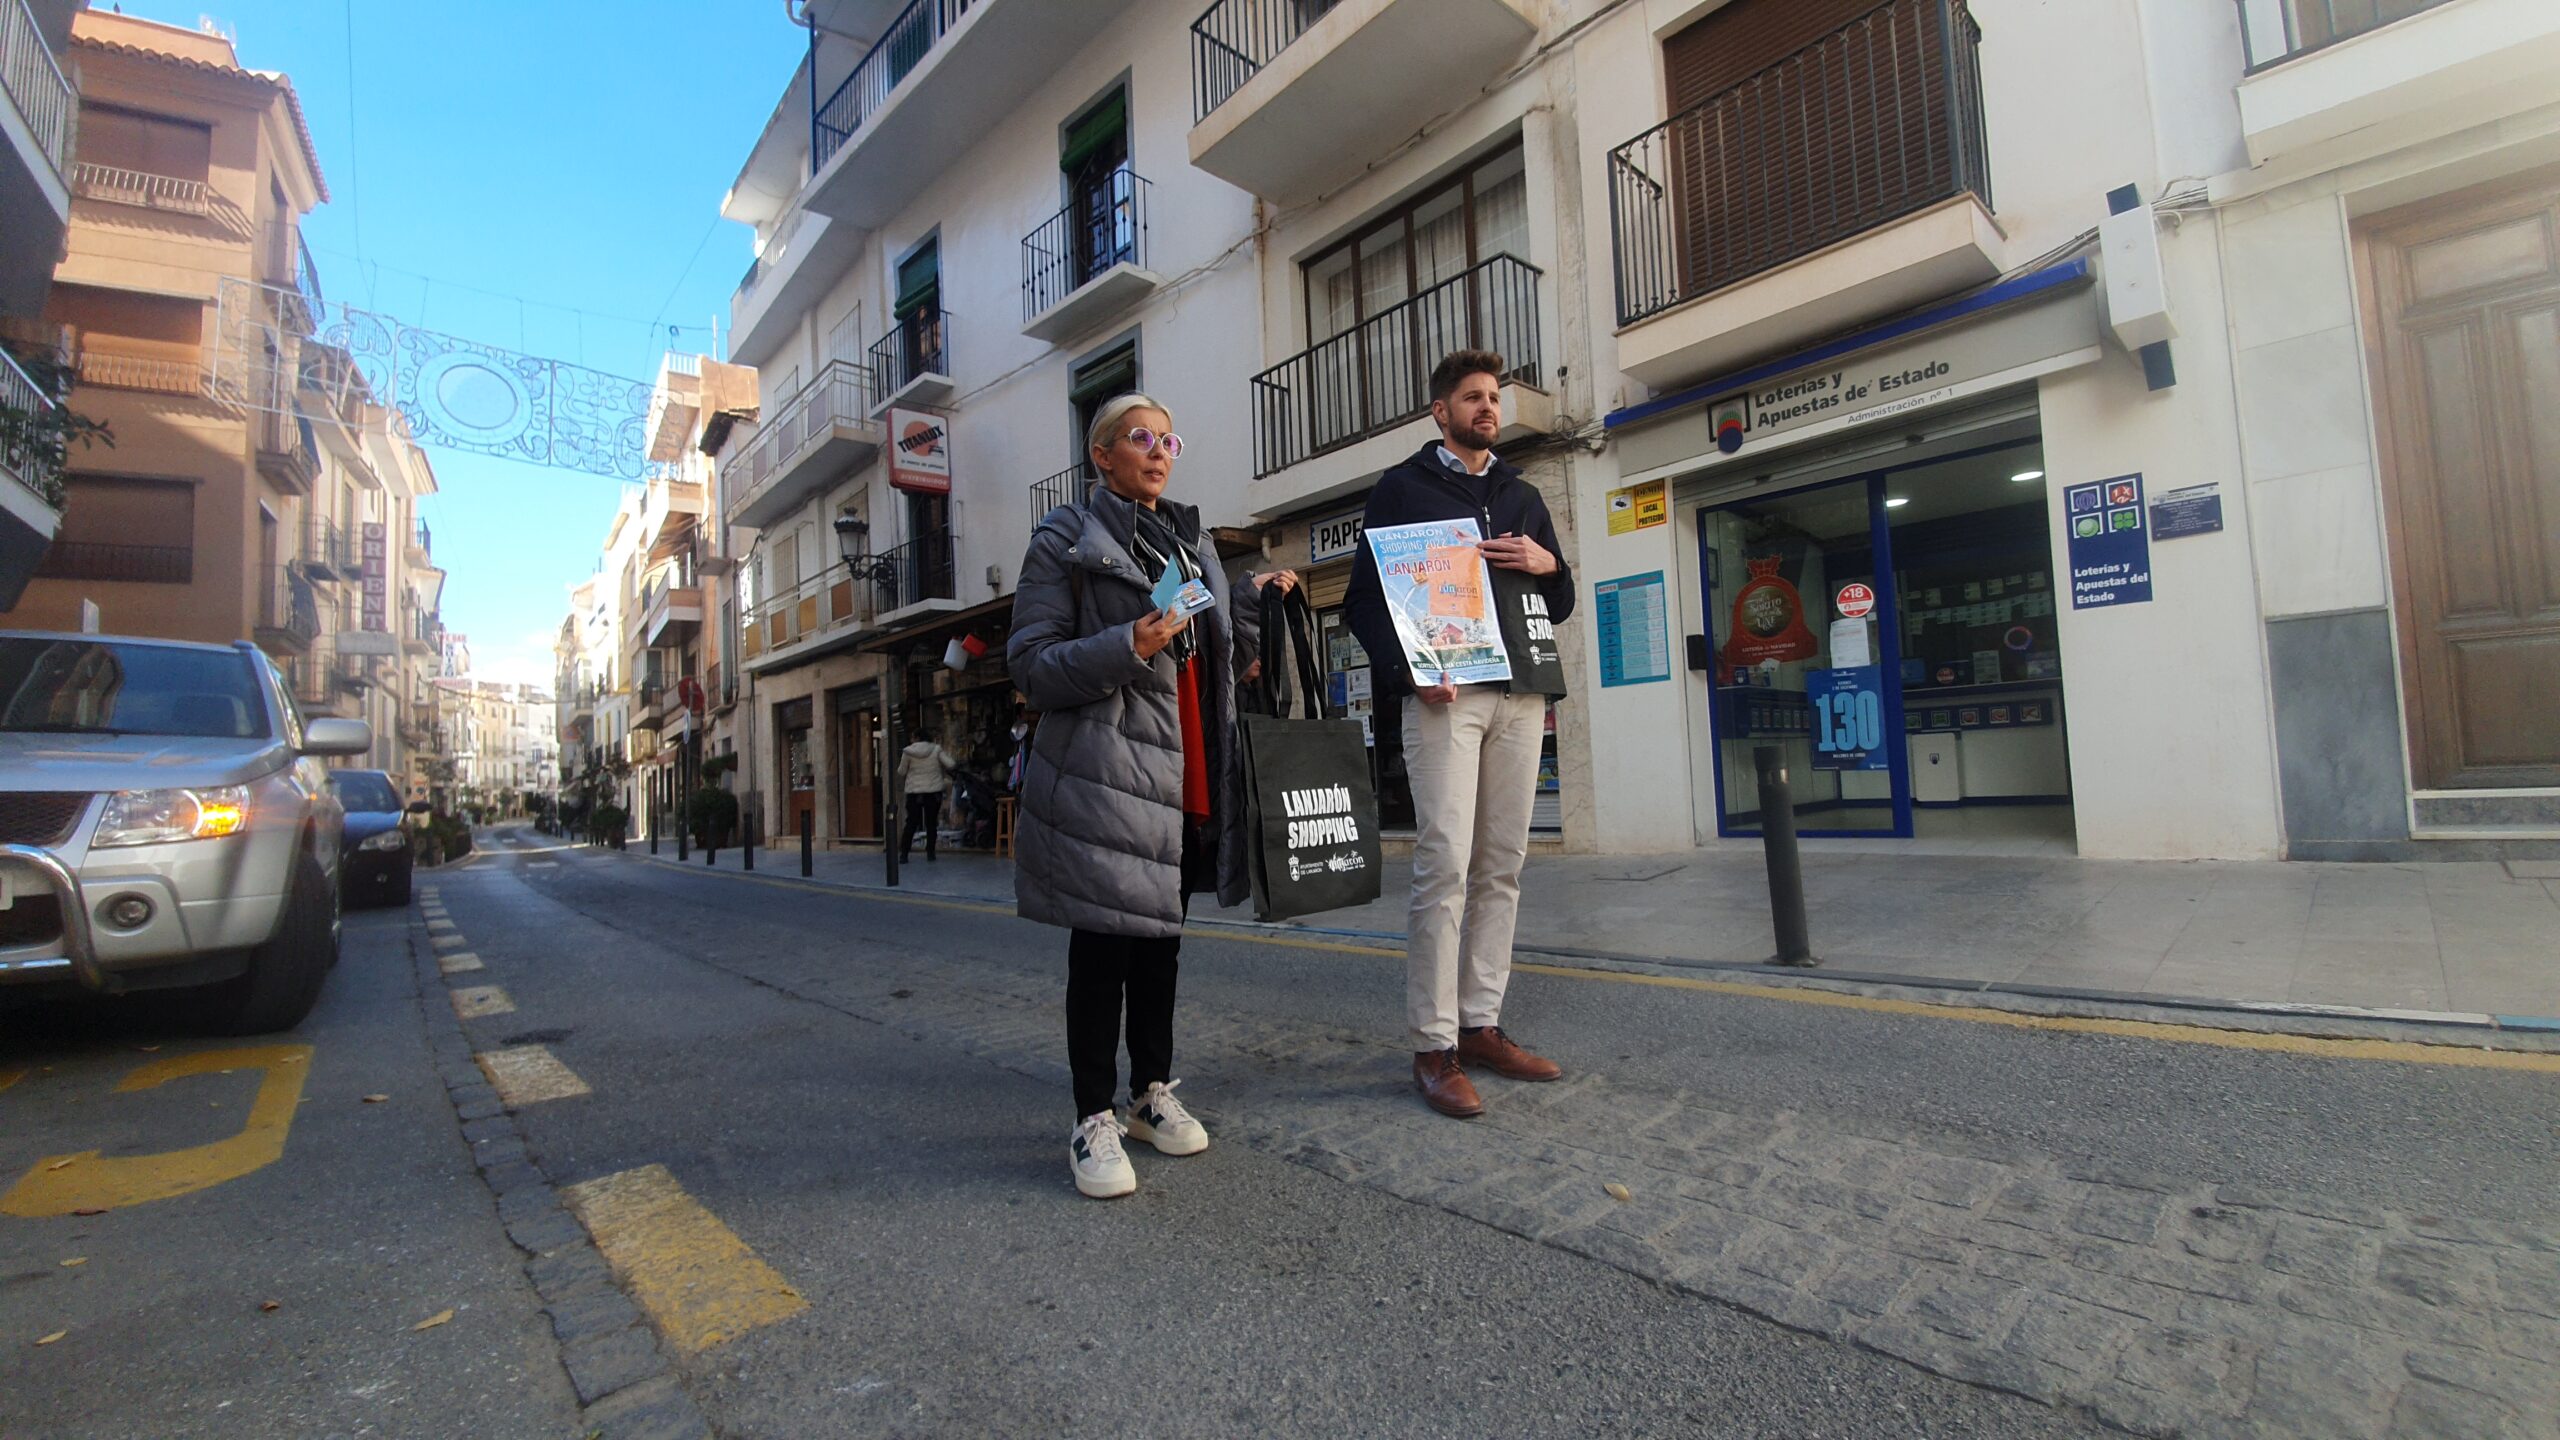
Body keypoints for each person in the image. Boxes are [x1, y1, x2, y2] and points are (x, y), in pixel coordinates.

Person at [1009, 392, 1297, 1199]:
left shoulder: (1192, 542)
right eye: (1142, 437)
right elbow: (1031, 666)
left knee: (1161, 942)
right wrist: (1125, 645)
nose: (1160, 451)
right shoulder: (1067, 539)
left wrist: (1254, 604)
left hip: (1186, 768)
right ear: (1102, 455)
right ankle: (1091, 1116)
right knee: (1104, 947)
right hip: (1106, 773)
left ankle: (1149, 1094)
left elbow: (1215, 655)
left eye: (1170, 440)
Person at [1345, 349, 1576, 1120]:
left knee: (1503, 864)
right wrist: (1407, 672)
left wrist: (1547, 562)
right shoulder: (1401, 489)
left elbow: (1560, 602)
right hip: (1445, 698)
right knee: (1443, 863)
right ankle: (1433, 1045)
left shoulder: (1522, 495)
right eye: (1472, 397)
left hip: (1520, 695)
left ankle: (1480, 1026)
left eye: (1494, 397)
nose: (1488, 408)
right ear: (1440, 411)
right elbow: (1364, 603)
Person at [894, 727, 957, 863]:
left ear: (916, 738)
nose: (911, 740)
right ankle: (930, 853)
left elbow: (901, 771)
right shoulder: (936, 749)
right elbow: (951, 764)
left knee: (911, 822)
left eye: (912, 737)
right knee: (931, 823)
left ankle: (904, 854)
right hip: (933, 792)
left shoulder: (908, 751)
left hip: (914, 792)